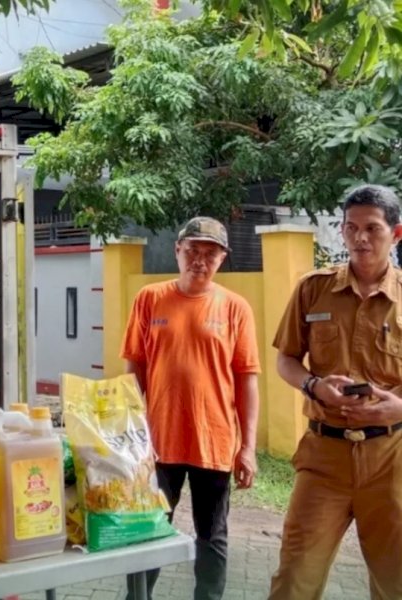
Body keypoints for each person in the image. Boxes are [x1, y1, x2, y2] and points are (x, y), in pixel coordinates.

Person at [269, 184, 402, 600]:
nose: (360, 238)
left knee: (395, 582)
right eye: (351, 227)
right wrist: (314, 385)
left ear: (395, 234)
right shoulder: (313, 288)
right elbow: (286, 360)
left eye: (373, 229)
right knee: (294, 580)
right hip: (324, 458)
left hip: (392, 461)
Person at [120, 217, 261, 600]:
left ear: (222, 259)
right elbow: (134, 369)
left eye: (210, 253)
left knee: (212, 536)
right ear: (177, 251)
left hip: (214, 441)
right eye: (193, 251)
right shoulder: (149, 298)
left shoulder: (235, 308)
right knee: (148, 529)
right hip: (158, 443)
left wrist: (247, 447)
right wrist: (132, 435)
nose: (200, 260)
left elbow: (247, 378)